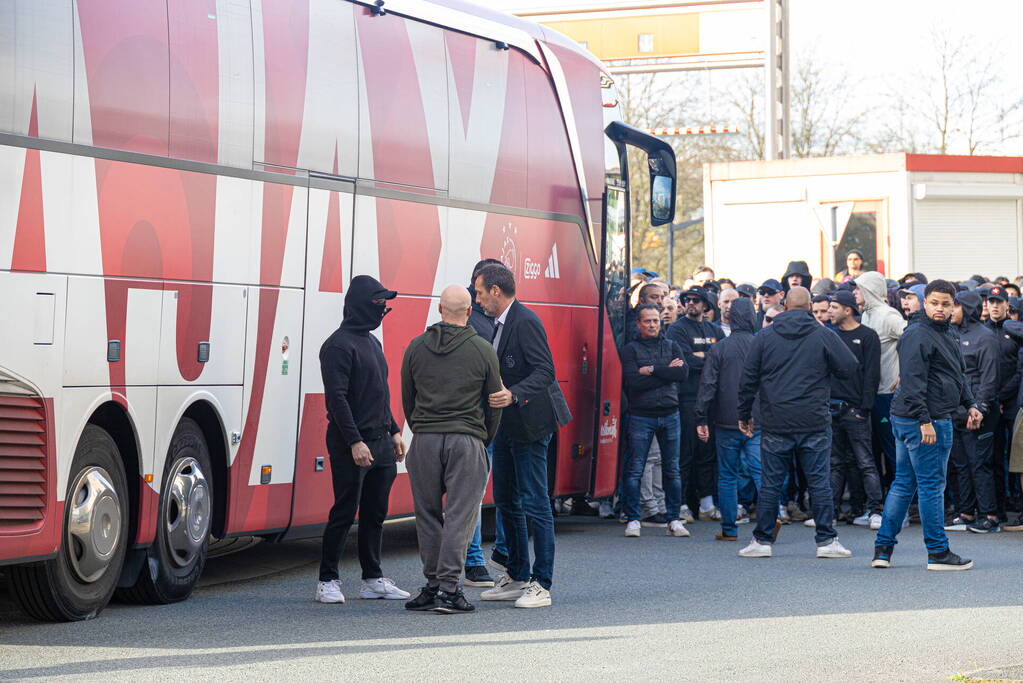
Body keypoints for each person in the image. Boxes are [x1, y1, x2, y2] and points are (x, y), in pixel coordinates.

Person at [401, 286, 503, 614]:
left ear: (439, 309)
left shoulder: (416, 347)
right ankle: (449, 589)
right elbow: (494, 401)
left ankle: (432, 585)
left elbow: (408, 396)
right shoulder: (483, 349)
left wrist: (422, 428)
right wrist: (483, 437)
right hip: (467, 439)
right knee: (461, 516)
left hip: (426, 439)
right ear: (470, 311)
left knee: (427, 514)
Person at [735, 286, 857, 558]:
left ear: (785, 306)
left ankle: (762, 540)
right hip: (813, 418)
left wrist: (744, 415)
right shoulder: (823, 335)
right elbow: (849, 367)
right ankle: (826, 541)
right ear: (810, 306)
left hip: (776, 419)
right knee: (819, 482)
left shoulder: (765, 336)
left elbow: (748, 380)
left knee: (770, 483)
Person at [474, 264, 570, 609]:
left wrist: (513, 394)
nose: (478, 298)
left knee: (535, 502)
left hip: (531, 424)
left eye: (481, 292)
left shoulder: (526, 321)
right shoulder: (498, 324)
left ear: (496, 291)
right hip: (507, 425)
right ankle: (516, 576)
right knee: (506, 499)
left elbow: (545, 371)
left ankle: (541, 583)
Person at [872, 280, 982, 571]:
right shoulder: (918, 334)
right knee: (931, 486)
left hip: (920, 417)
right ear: (925, 302)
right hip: (924, 420)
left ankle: (883, 550)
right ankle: (937, 553)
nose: (940, 308)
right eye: (935, 302)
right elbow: (912, 382)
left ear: (954, 305)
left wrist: (970, 403)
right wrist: (925, 421)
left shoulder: (944, 332)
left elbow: (956, 374)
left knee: (905, 483)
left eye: (946, 304)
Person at [316, 275, 410, 604]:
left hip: (380, 440)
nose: (382, 308)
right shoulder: (337, 345)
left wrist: (395, 430)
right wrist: (355, 442)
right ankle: (327, 580)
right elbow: (337, 400)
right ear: (358, 304)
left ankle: (372, 578)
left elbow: (380, 395)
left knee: (375, 512)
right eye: (377, 302)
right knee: (344, 510)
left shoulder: (373, 343)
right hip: (349, 442)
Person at [695, 297, 761, 541]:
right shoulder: (761, 345)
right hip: (758, 419)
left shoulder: (719, 348)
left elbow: (708, 387)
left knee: (727, 475)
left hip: (726, 419)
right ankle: (769, 517)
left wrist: (701, 417)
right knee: (760, 470)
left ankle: (729, 528)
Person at [620, 304, 689, 538]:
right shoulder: (630, 350)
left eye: (655, 321)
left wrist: (651, 370)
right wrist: (665, 371)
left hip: (671, 413)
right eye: (647, 321)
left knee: (672, 470)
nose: (652, 325)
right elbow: (632, 383)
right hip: (641, 414)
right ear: (638, 324)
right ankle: (633, 519)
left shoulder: (672, 345)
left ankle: (674, 519)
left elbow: (682, 374)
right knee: (635, 469)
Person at [945, 291, 1001, 533]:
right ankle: (966, 513)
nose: (949, 311)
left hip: (979, 412)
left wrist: (979, 408)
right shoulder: (949, 334)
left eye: (954, 307)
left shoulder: (985, 337)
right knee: (960, 464)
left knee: (980, 464)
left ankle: (990, 516)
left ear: (966, 308)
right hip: (954, 411)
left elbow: (990, 379)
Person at [463, 258, 504, 587]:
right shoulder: (476, 321)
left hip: (491, 417)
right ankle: (475, 559)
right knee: (476, 491)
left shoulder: (495, 317)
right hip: (483, 419)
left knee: (484, 491)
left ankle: (490, 557)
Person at [827, 291, 883, 529]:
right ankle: (830, 512)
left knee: (866, 462)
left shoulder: (868, 336)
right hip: (831, 409)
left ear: (847, 310)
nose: (829, 311)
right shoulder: (828, 336)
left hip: (856, 411)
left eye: (833, 307)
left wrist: (864, 408)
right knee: (835, 463)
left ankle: (875, 511)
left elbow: (872, 375)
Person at [667, 287, 723, 522]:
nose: (691, 304)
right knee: (685, 454)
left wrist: (703, 357)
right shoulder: (676, 329)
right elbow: (683, 361)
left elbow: (722, 358)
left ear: (706, 305)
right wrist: (706, 357)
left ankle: (706, 503)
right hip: (686, 398)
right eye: (687, 300)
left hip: (710, 400)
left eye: (696, 300)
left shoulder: (715, 330)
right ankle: (681, 505)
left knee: (707, 452)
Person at [855, 272, 907, 487]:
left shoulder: (889, 315)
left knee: (893, 451)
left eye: (859, 288)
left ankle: (903, 506)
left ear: (870, 291)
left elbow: (911, 339)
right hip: (871, 393)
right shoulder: (866, 315)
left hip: (888, 394)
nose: (854, 293)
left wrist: (905, 375)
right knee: (875, 451)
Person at [983, 285, 1020, 525]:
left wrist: (1005, 397)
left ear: (1008, 305)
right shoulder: (981, 332)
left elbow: (1019, 371)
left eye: (999, 302)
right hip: (990, 403)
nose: (995, 306)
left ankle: (1017, 502)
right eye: (991, 301)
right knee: (993, 457)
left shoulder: (1015, 332)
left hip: (1014, 401)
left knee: (1018, 458)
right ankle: (996, 510)